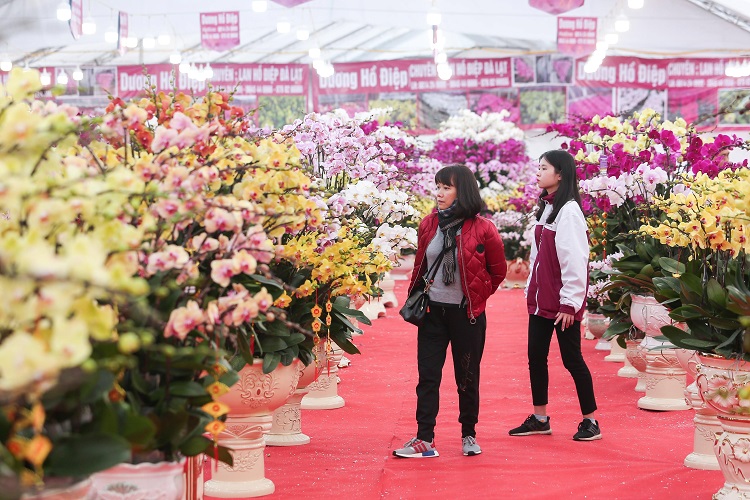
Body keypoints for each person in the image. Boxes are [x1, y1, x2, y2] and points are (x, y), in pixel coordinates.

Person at [393, 164, 507, 458]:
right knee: (428, 376)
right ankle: (424, 438)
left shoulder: (484, 228)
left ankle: (468, 434)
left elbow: (498, 272)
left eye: (446, 187)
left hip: (466, 315)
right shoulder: (428, 223)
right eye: (438, 186)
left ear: (462, 191)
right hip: (432, 312)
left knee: (467, 377)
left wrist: (476, 298)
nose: (439, 193)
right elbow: (420, 264)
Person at [508, 149, 601, 441]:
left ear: (560, 174)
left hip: (562, 303)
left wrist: (570, 303)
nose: (538, 172)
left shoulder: (570, 211)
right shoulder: (548, 207)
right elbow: (538, 256)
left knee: (572, 359)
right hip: (541, 300)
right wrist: (530, 290)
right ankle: (540, 418)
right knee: (536, 357)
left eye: (543, 167)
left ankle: (591, 421)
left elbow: (575, 260)